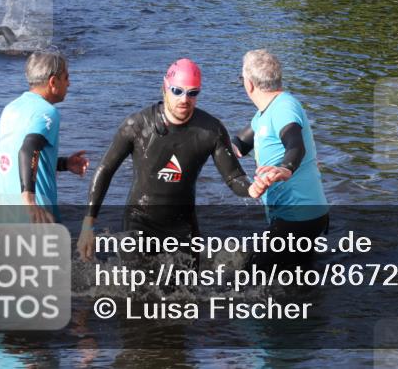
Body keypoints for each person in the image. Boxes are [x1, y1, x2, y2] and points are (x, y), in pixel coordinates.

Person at [77, 59, 271, 261]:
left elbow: (234, 177)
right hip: (139, 221)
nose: (184, 99)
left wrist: (251, 188)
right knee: (134, 290)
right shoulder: (137, 125)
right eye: (177, 91)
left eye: (192, 93)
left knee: (188, 291)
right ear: (165, 87)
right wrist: (87, 225)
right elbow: (106, 169)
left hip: (183, 226)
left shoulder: (211, 130)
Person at [232, 49, 330, 268]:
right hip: (302, 216)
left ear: (248, 84)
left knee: (249, 279)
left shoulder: (285, 108)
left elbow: (295, 144)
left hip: (298, 217)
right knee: (296, 281)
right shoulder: (264, 114)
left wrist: (286, 168)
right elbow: (238, 145)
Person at [0, 50, 88, 223]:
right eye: (66, 78)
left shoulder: (11, 108)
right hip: (34, 214)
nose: (69, 84)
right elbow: (29, 149)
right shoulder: (47, 112)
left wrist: (63, 164)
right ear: (53, 82)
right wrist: (29, 200)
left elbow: (19, 156)